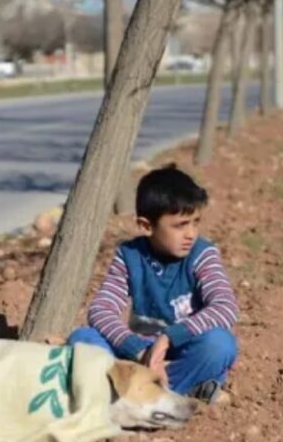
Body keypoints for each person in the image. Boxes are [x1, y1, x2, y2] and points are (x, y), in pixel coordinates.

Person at [68, 165, 239, 402]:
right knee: (83, 338)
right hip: (138, 354)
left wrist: (168, 337)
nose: (191, 233)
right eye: (180, 225)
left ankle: (130, 394)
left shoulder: (203, 254)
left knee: (219, 344)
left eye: (195, 222)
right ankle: (173, 392)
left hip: (181, 353)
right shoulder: (130, 256)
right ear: (146, 226)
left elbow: (225, 307)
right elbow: (101, 309)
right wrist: (138, 349)